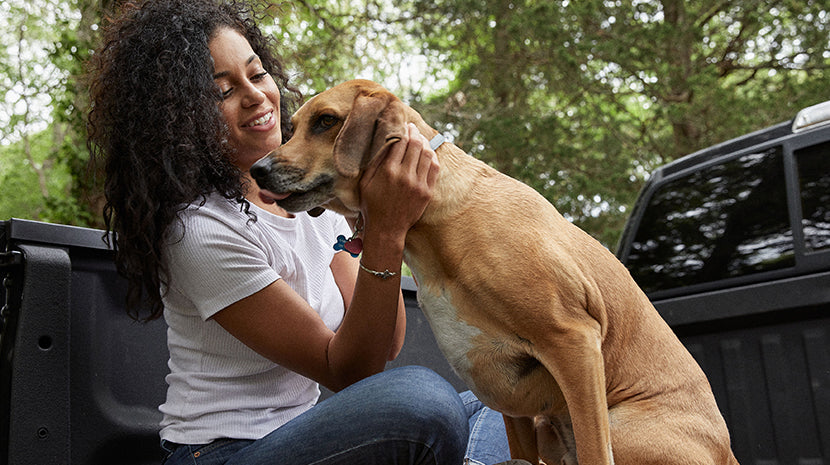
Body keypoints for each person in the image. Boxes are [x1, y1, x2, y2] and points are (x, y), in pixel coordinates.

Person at [86, 0, 513, 464]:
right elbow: (348, 370)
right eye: (221, 92)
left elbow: (386, 342)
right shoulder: (200, 229)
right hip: (220, 454)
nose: (255, 96)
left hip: (302, 439)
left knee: (508, 404)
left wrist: (370, 216)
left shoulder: (314, 203)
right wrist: (389, 229)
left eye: (257, 73)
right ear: (178, 120)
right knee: (424, 400)